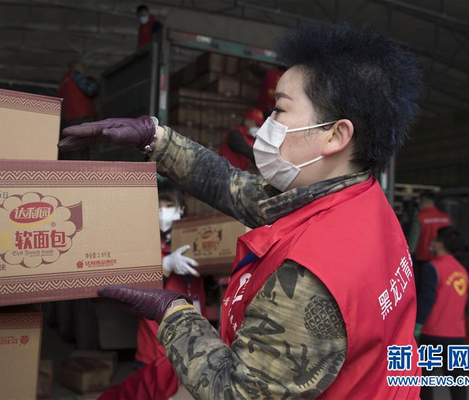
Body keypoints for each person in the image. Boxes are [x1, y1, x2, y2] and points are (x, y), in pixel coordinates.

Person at [60, 23, 423, 399]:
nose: (266, 125)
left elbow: (237, 392)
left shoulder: (312, 278)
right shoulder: (355, 198)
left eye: (279, 109)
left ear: (334, 135)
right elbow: (232, 188)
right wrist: (155, 139)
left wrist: (172, 312)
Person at [135, 179, 205, 367]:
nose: (163, 212)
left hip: (193, 348)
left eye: (169, 205)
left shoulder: (194, 242)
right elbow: (140, 294)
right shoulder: (142, 246)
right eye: (157, 206)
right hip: (156, 352)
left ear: (181, 209)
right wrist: (166, 264)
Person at [415, 227, 469, 400]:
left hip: (433, 335)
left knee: (425, 381)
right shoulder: (462, 270)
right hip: (457, 336)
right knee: (457, 381)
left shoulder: (432, 268)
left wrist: (417, 326)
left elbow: (427, 300)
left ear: (439, 244)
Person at [409, 192, 451, 288]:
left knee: (425, 286)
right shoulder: (445, 217)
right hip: (443, 258)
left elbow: (413, 241)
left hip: (424, 258)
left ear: (423, 202)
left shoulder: (420, 217)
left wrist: (409, 256)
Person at [58, 61, 98, 160]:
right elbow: (90, 89)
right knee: (88, 149)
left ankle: (74, 172)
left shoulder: (63, 82)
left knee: (75, 149)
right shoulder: (75, 75)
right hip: (82, 117)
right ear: (78, 66)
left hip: (70, 120)